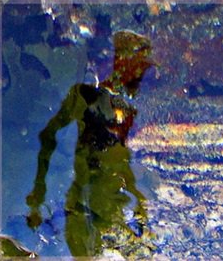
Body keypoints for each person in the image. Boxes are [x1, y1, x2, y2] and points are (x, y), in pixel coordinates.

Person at [26, 30, 154, 256]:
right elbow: (49, 134)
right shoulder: (85, 96)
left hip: (99, 173)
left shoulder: (87, 97)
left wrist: (38, 193)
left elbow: (50, 134)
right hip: (99, 172)